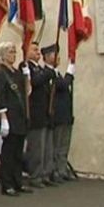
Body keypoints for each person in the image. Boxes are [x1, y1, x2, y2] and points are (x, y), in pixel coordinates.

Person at [0, 42, 33, 197]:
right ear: (2, 54)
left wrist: (27, 75)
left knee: (17, 152)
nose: (13, 55)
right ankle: (7, 184)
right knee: (8, 152)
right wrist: (3, 118)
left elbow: (27, 92)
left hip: (20, 117)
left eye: (15, 52)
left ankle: (17, 182)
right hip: (8, 118)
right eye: (10, 52)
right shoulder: (0, 73)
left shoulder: (16, 72)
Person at [24, 42, 57, 188]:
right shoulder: (26, 67)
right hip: (35, 113)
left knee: (46, 147)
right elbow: (34, 82)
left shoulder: (39, 68)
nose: (38, 52)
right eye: (34, 49)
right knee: (36, 148)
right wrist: (49, 71)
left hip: (44, 113)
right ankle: (35, 175)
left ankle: (44, 173)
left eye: (38, 49)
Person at [42, 44, 76, 182]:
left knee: (64, 146)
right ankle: (55, 171)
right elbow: (62, 85)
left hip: (65, 115)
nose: (57, 57)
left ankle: (62, 170)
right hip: (57, 115)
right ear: (46, 57)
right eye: (54, 55)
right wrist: (70, 73)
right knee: (56, 146)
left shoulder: (56, 72)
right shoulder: (48, 73)